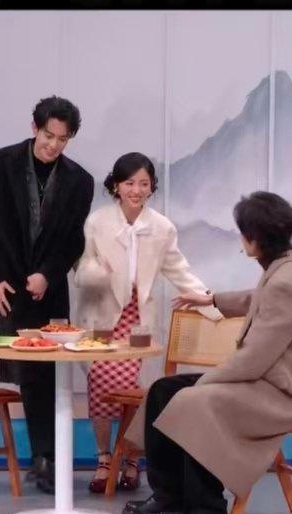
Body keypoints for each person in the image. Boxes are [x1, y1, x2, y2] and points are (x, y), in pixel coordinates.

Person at [121, 191, 292, 514]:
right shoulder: (287, 270)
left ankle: (208, 512)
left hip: (280, 394)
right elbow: (258, 298)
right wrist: (212, 299)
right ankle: (170, 497)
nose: (241, 240)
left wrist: (205, 382)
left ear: (255, 238)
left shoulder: (288, 281)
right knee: (163, 390)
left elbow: (254, 360)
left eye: (243, 233)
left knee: (195, 401)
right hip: (265, 382)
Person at [0, 96, 95, 494]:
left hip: (49, 291)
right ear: (35, 127)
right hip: (8, 288)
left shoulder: (80, 181)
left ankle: (49, 459)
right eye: (48, 135)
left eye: (63, 139)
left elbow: (73, 240)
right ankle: (43, 458)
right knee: (29, 373)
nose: (53, 145)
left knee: (53, 372)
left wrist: (48, 275)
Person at [74, 152, 220, 494]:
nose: (136, 190)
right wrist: (98, 273)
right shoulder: (97, 222)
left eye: (144, 183)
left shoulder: (162, 227)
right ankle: (104, 458)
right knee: (101, 389)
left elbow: (179, 271)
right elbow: (81, 268)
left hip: (139, 321)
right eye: (129, 183)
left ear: (152, 187)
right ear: (116, 185)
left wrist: (214, 304)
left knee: (139, 392)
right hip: (102, 318)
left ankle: (131, 460)